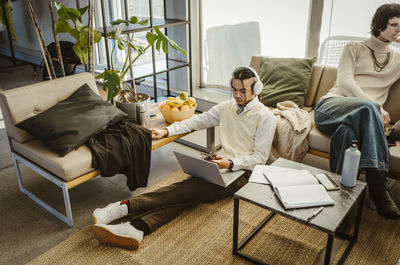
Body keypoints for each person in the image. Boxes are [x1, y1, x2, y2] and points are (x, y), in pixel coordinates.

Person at [91, 66, 277, 249]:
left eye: (243, 91)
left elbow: (260, 157)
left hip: (243, 174)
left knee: (187, 189)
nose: (237, 95)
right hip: (220, 164)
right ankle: (136, 228)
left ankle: (125, 207)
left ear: (256, 89)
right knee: (190, 194)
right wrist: (167, 130)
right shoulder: (226, 107)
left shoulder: (265, 117)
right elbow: (196, 121)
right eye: (234, 89)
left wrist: (230, 163)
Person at [314, 3, 400, 219]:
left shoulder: (397, 59)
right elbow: (344, 83)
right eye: (393, 25)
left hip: (359, 120)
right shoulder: (354, 48)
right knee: (368, 108)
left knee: (346, 134)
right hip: (331, 108)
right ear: (379, 24)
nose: (398, 30)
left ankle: (340, 203)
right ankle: (378, 187)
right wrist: (375, 104)